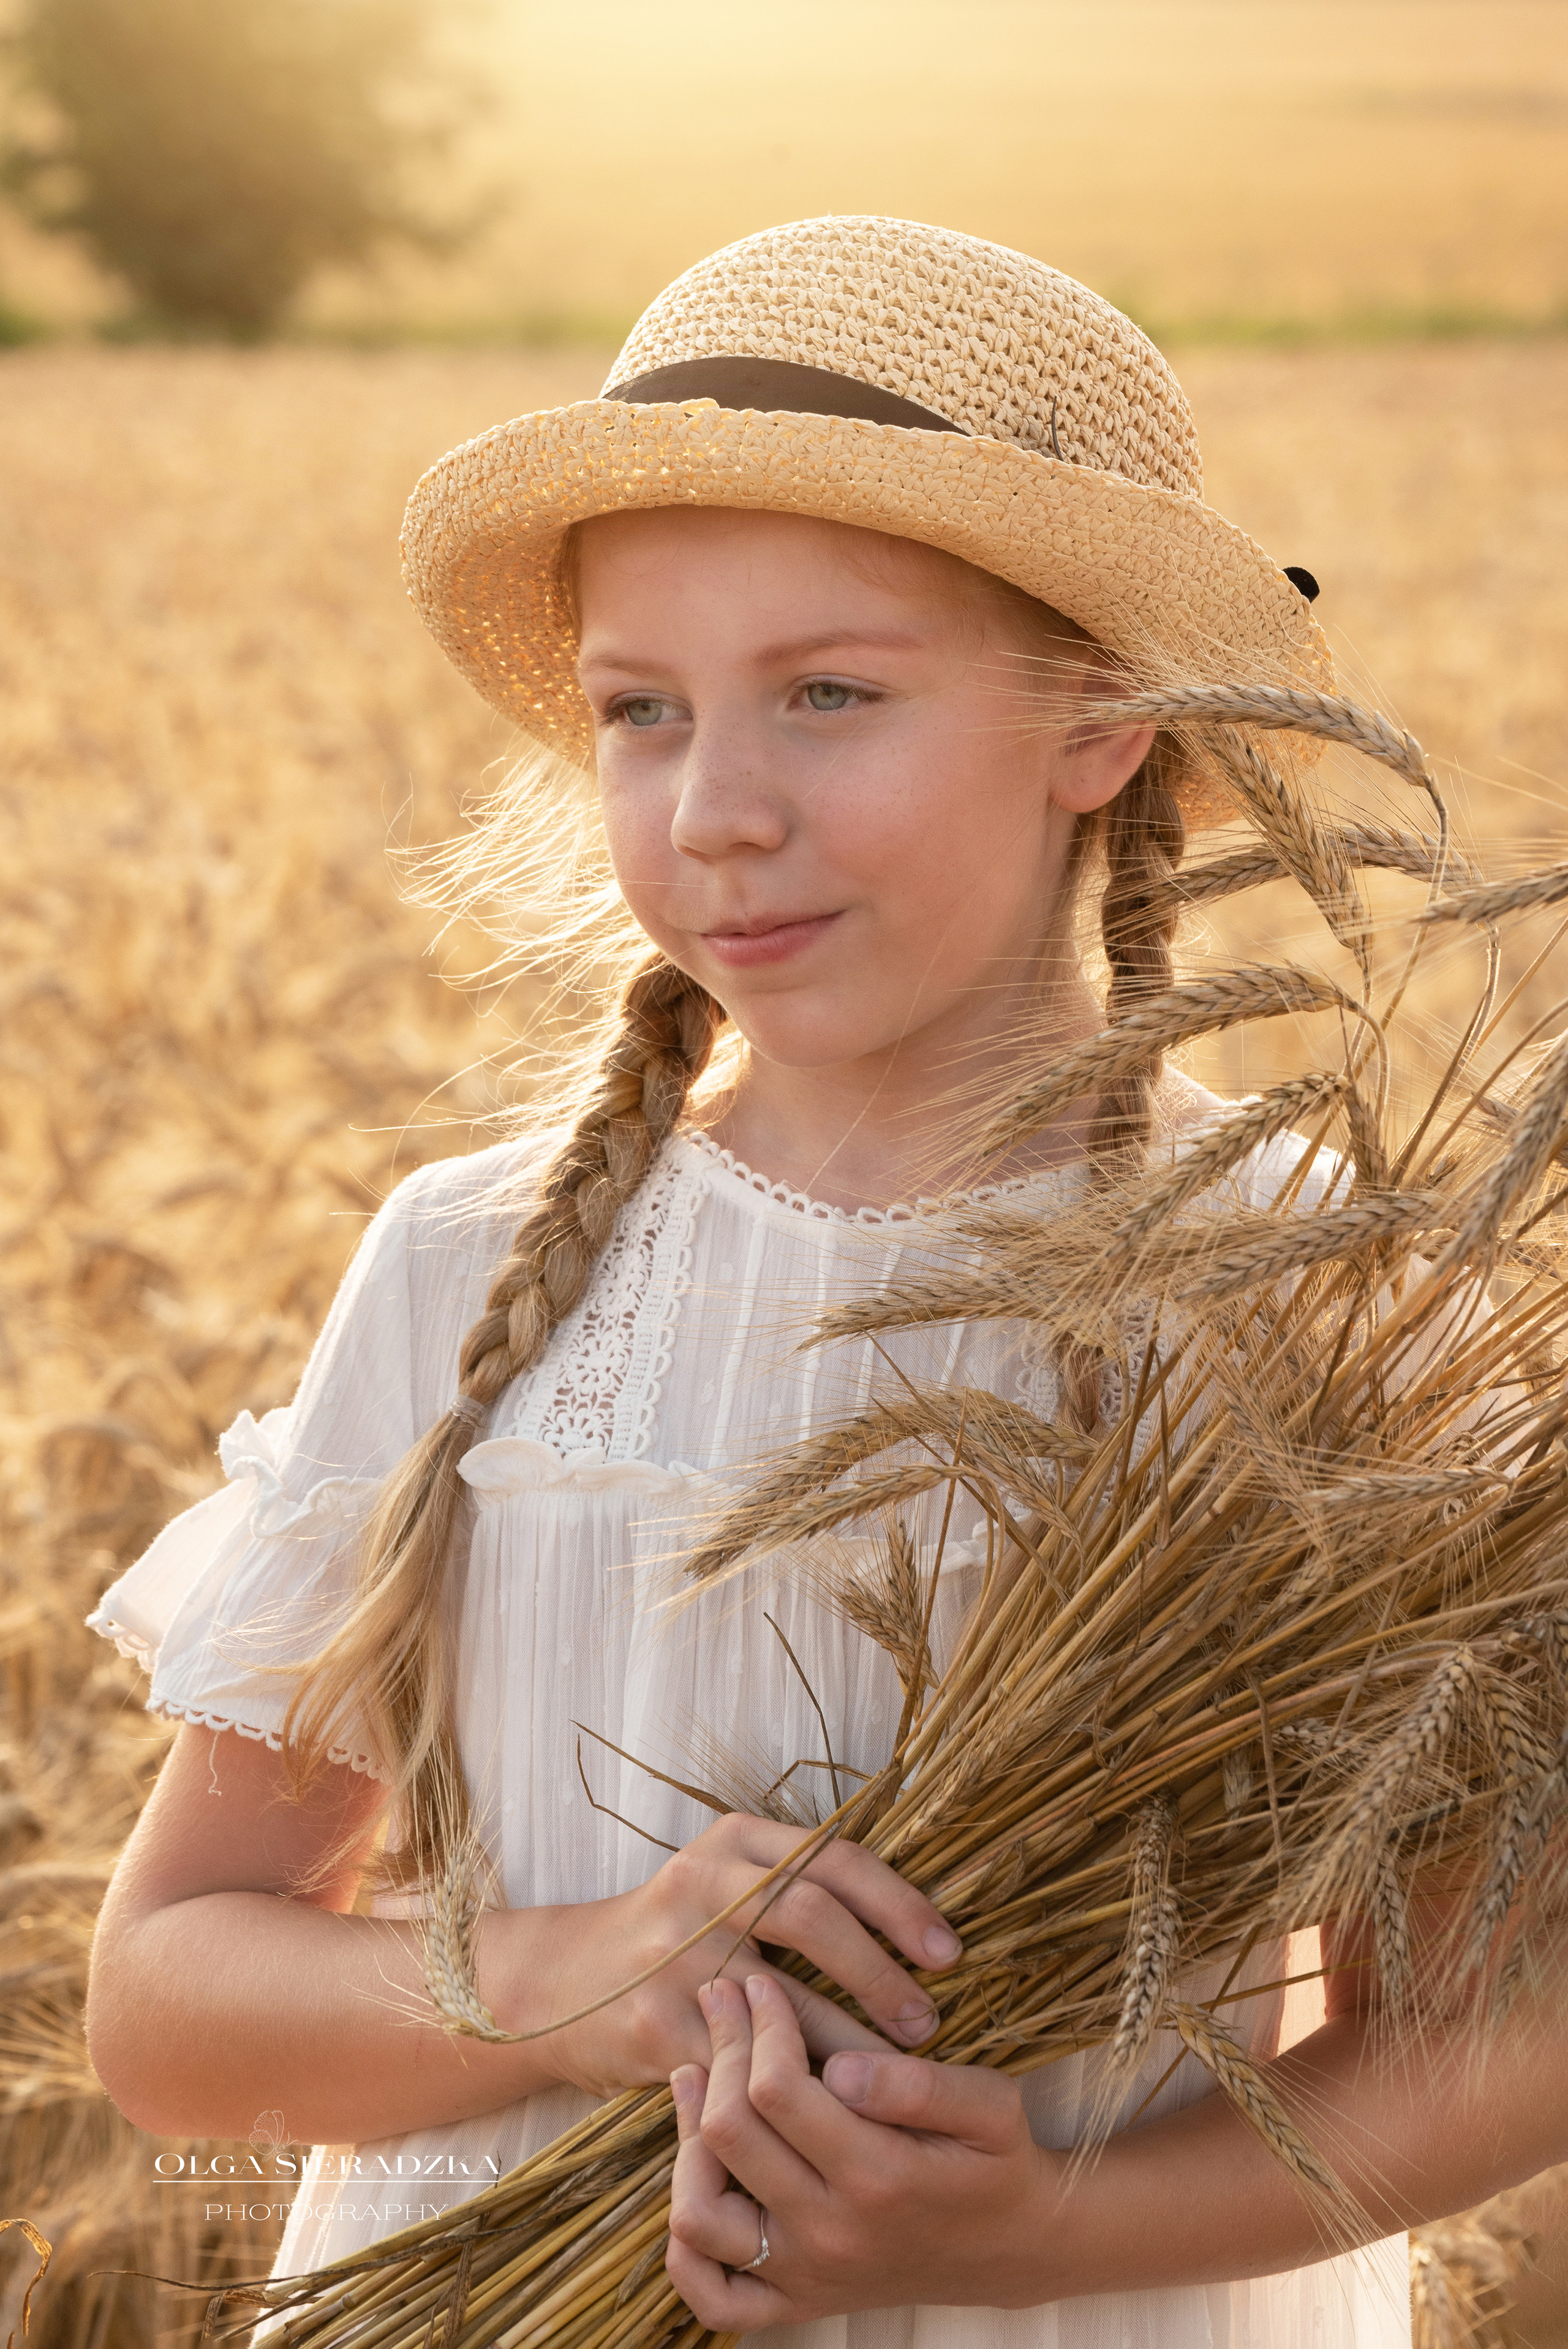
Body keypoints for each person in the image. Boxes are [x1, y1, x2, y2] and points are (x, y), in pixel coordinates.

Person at [80, 217, 1566, 2347]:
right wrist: (575, 1975)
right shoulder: (472, 1271)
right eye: (641, 710)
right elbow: (168, 2005)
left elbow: (1509, 2018)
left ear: (1106, 717)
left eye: (831, 694)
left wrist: (1028, 2233)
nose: (716, 810)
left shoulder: (1310, 1296)